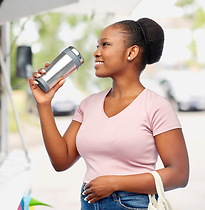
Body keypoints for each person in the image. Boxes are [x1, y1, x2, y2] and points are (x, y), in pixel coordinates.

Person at [29, 17, 189, 210]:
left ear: (132, 52)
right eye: (98, 45)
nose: (97, 52)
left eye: (105, 44)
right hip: (89, 203)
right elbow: (61, 161)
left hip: (133, 204)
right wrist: (44, 104)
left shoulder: (156, 106)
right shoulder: (88, 104)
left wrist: (115, 183)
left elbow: (179, 175)